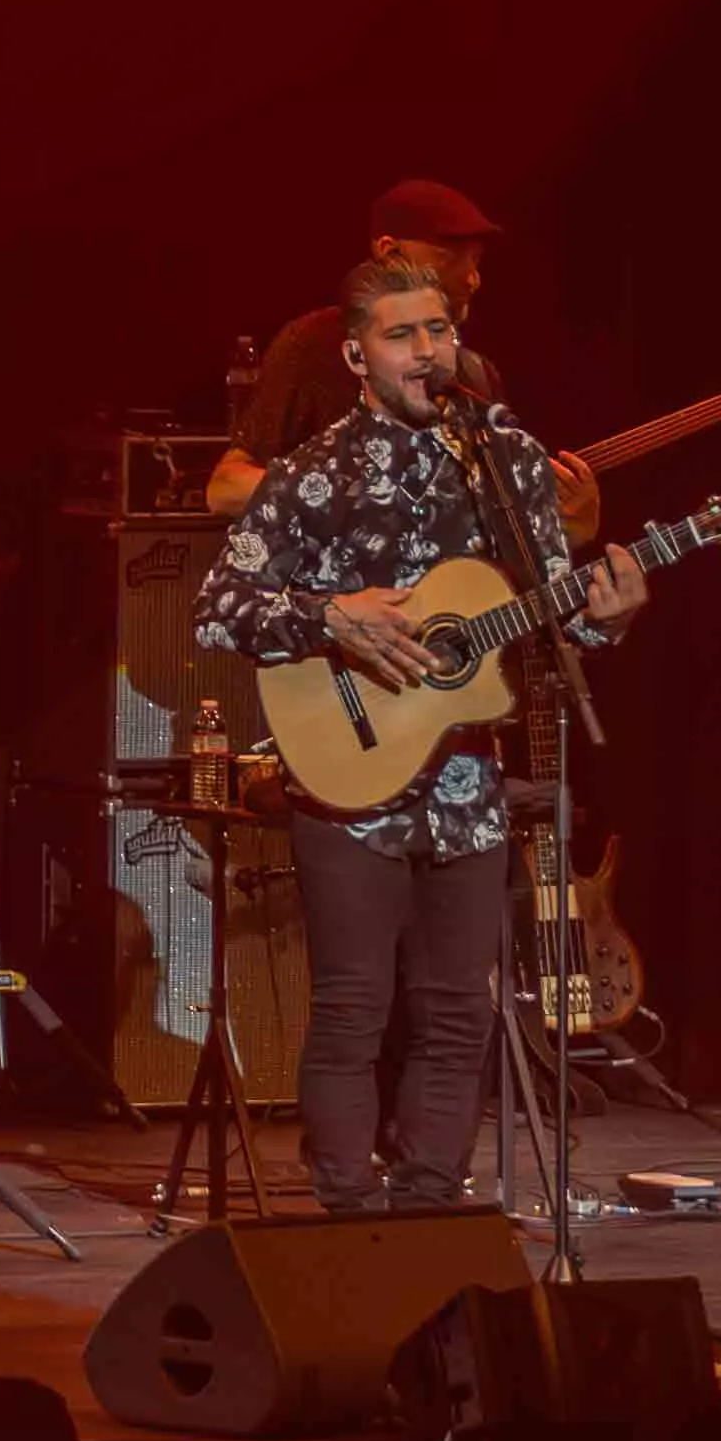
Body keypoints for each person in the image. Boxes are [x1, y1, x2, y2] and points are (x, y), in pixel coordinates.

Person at [189, 253, 639, 1212]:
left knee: (458, 1012)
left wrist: (614, 611)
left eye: (440, 330)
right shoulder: (314, 473)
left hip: (468, 780)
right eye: (404, 335)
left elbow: (559, 624)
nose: (429, 350)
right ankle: (349, 1215)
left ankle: (432, 1207)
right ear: (357, 355)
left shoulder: (510, 460)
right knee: (354, 1007)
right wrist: (330, 616)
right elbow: (218, 607)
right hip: (344, 768)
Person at [205, 182, 591, 536]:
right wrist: (355, 500)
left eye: (476, 261)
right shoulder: (314, 345)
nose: (472, 280)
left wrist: (574, 526)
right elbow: (226, 487)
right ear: (389, 252)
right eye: (451, 257)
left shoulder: (475, 375)